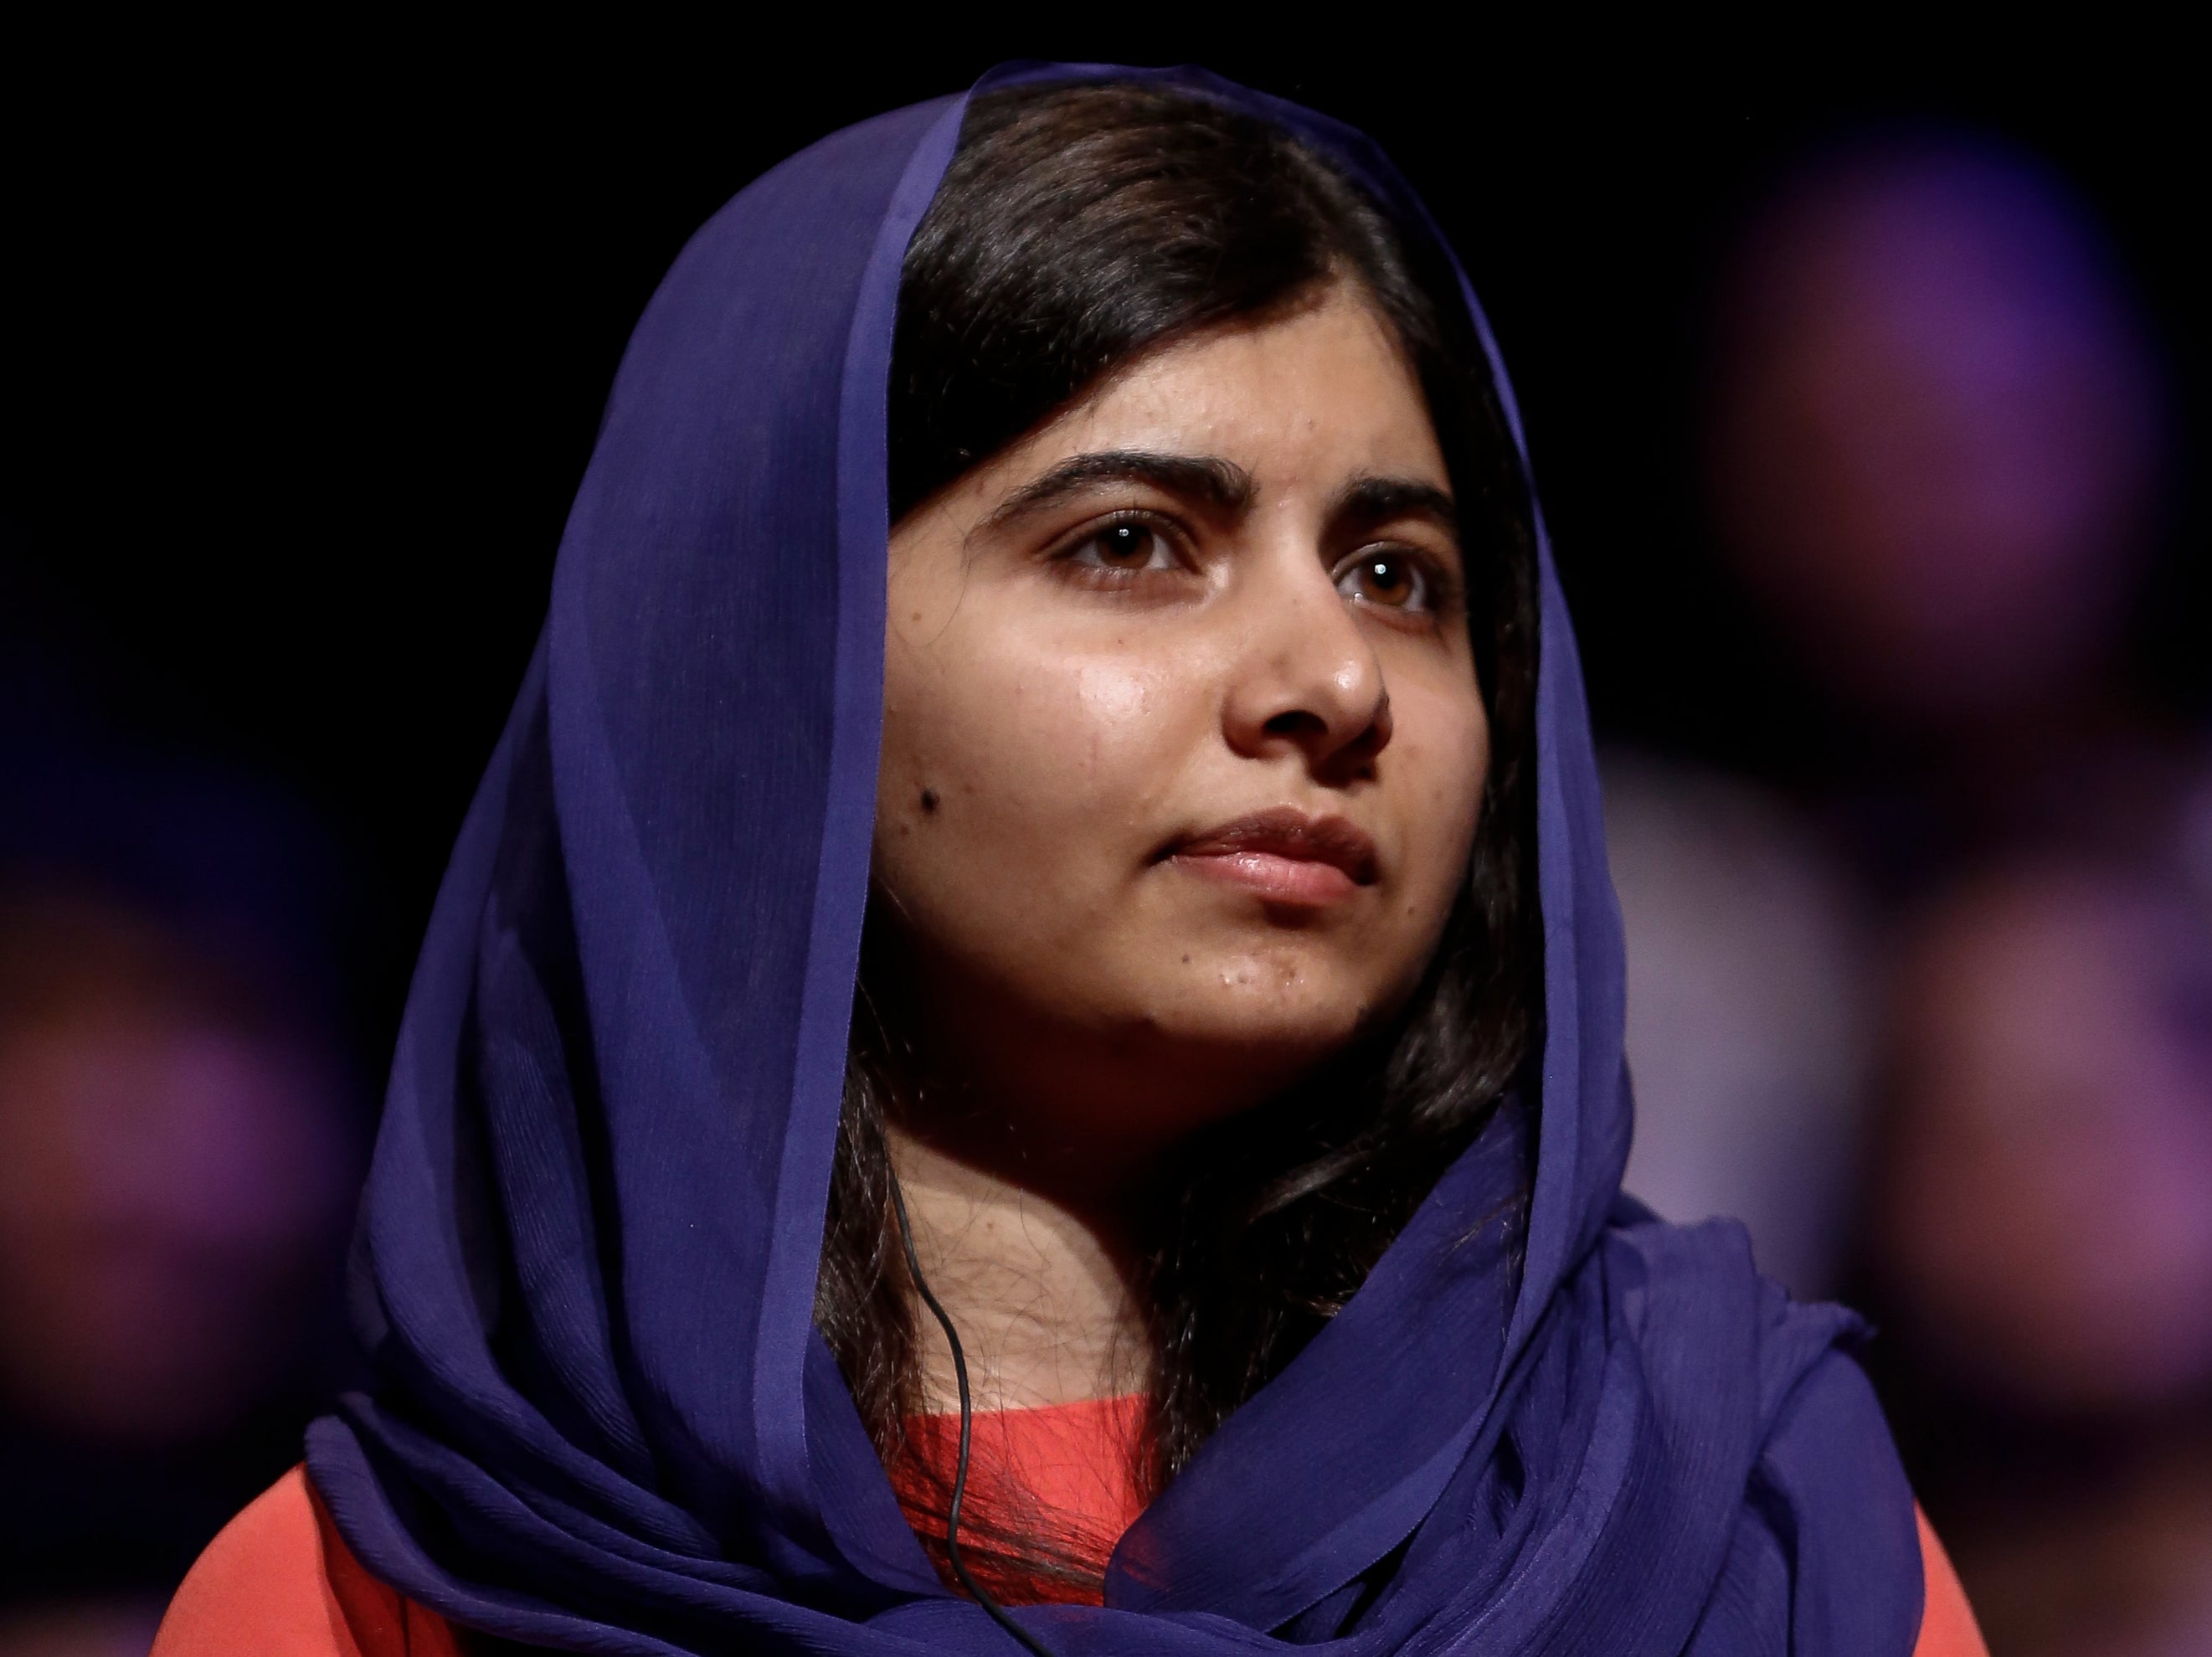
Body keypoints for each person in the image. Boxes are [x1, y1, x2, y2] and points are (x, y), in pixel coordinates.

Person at [152, 68, 1984, 1655]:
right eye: (1129, 542)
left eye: (1396, 575)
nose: (1331, 681)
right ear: (764, 660)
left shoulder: (1734, 1519)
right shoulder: (403, 1592)